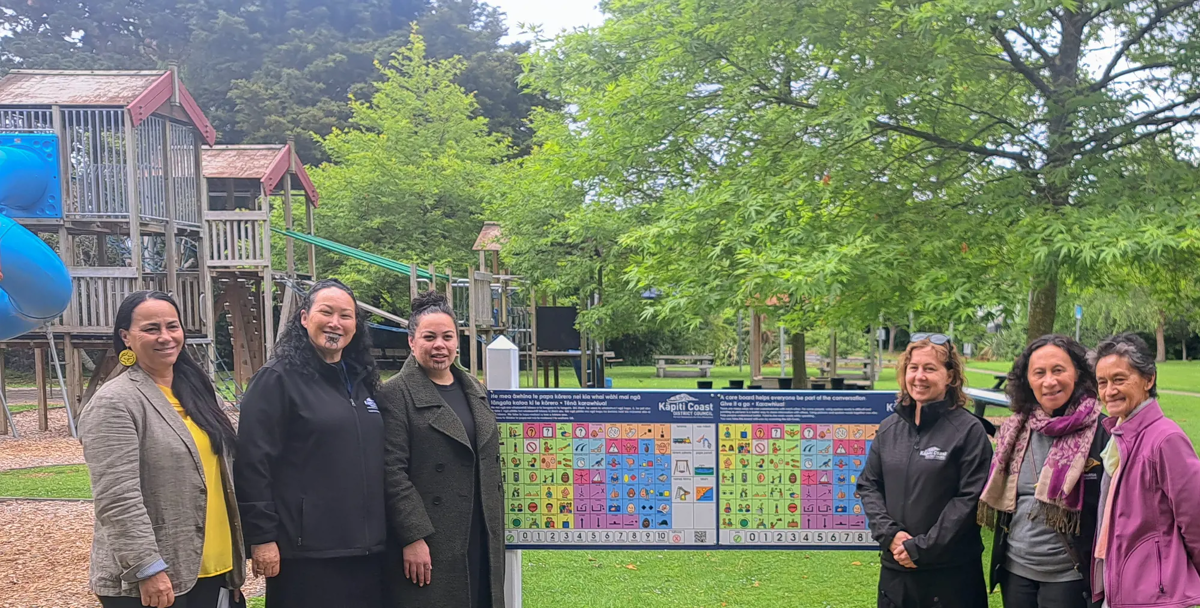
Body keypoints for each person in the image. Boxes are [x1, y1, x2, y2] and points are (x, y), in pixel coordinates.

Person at [80, 291, 245, 608]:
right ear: (126, 337)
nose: (166, 337)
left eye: (173, 326)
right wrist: (148, 569)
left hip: (213, 570)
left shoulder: (198, 392)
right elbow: (117, 497)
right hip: (156, 579)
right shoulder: (115, 402)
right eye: (151, 329)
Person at [234, 279, 386, 608]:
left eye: (346, 316)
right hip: (306, 555)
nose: (335, 323)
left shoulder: (362, 381)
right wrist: (262, 538)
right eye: (326, 312)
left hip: (367, 551)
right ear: (304, 318)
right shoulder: (277, 380)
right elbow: (251, 463)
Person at [378, 291, 505, 608]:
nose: (440, 345)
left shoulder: (475, 389)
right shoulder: (395, 394)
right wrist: (413, 536)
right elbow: (391, 472)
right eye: (429, 337)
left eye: (447, 337)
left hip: (479, 529)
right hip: (431, 536)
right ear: (411, 341)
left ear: (457, 341)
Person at [857, 333, 992, 608]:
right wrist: (890, 535)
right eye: (913, 367)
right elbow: (869, 485)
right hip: (896, 572)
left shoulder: (969, 432)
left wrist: (921, 549)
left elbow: (969, 500)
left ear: (950, 377)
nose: (919, 376)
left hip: (950, 577)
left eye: (930, 368)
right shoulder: (889, 428)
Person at [979, 335, 1108, 608]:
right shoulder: (1014, 431)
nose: (1049, 381)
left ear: (1079, 373)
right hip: (1015, 573)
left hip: (1071, 577)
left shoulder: (1103, 433)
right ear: (1027, 380)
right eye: (1039, 373)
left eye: (1058, 370)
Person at [1089, 333, 1200, 608]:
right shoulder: (1120, 435)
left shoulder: (1165, 439)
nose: (1109, 391)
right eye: (1102, 382)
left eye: (1119, 380)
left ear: (1149, 380)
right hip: (1121, 591)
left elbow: (1196, 521)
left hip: (1155, 597)